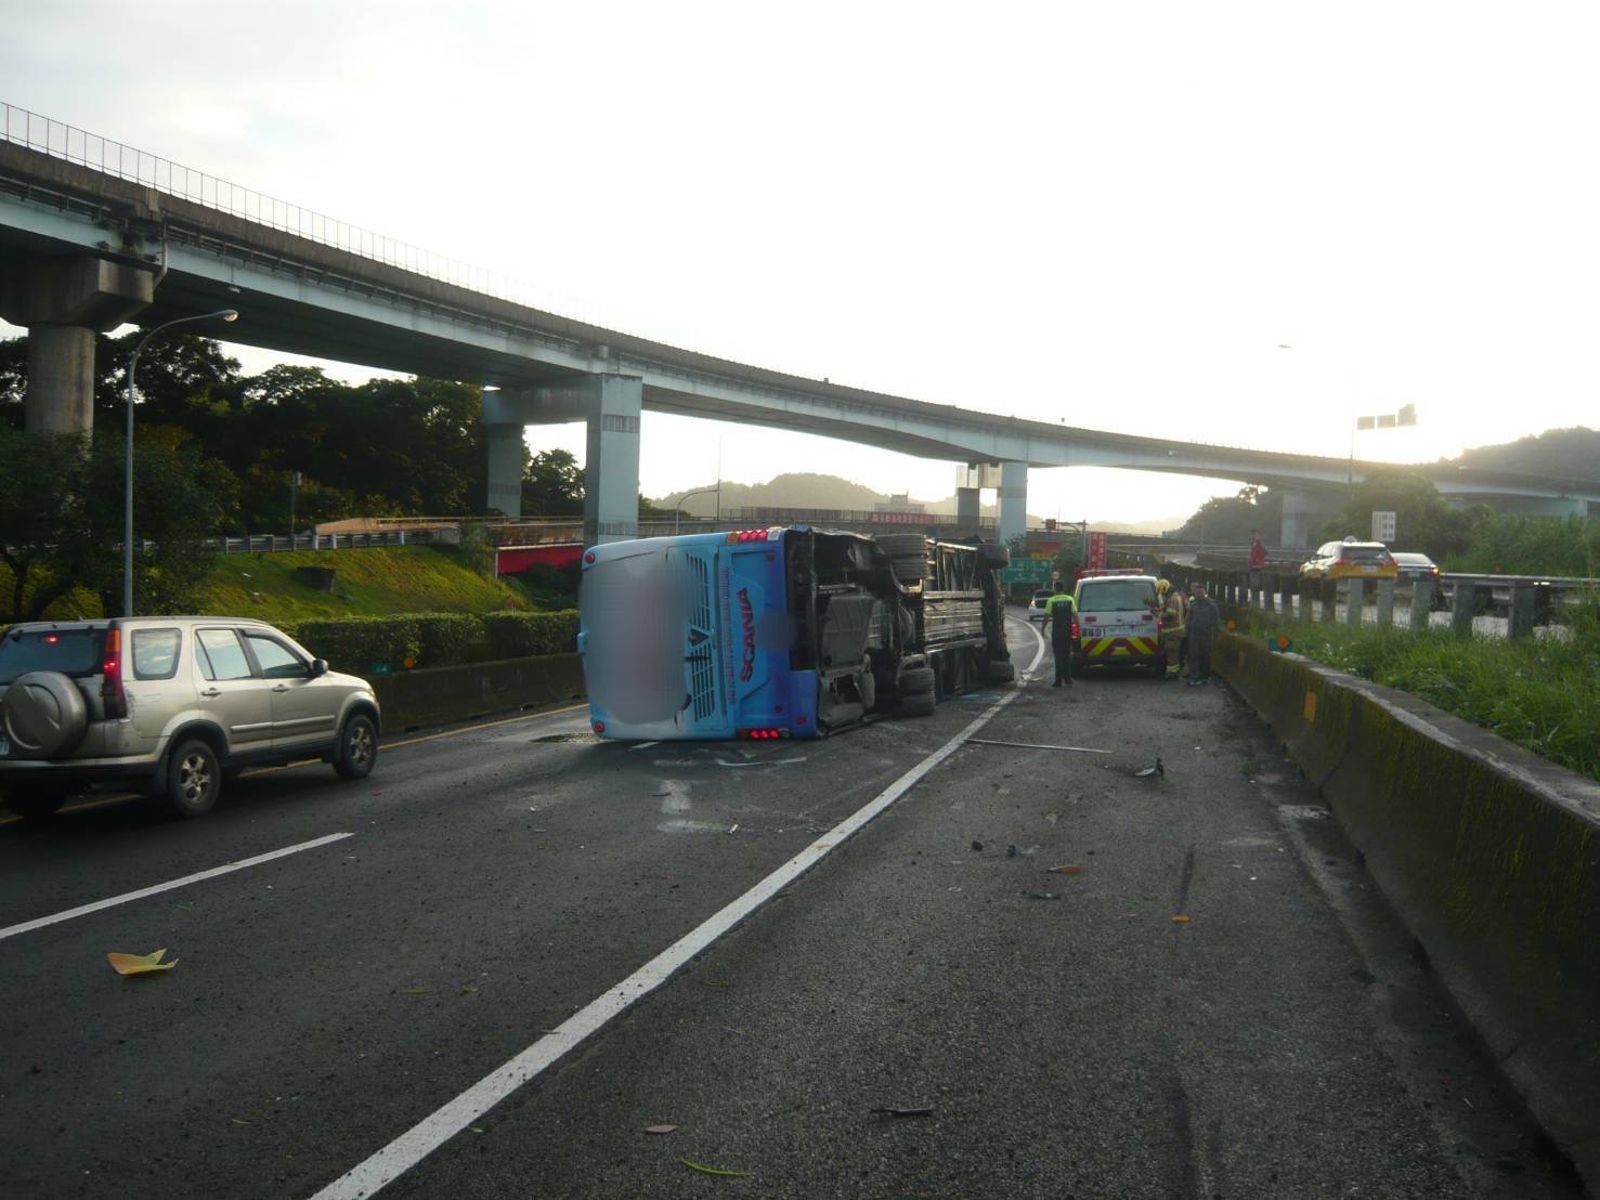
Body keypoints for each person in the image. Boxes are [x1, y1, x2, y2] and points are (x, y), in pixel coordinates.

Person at [1187, 582, 1221, 686]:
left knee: (1205, 656)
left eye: (1201, 592)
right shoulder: (1193, 604)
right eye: (1197, 593)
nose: (1199, 595)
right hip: (1194, 634)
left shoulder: (1212, 605)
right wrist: (1187, 631)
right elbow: (1189, 618)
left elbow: (1216, 621)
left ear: (1205, 592)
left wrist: (1216, 634)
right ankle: (1194, 677)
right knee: (1193, 656)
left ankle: (1204, 677)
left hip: (1206, 634)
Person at [1044, 586, 1076, 687]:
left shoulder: (1051, 600)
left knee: (1058, 656)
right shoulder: (1070, 599)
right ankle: (1068, 680)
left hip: (1057, 632)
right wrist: (1079, 628)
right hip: (1068, 631)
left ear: (1055, 590)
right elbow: (1075, 614)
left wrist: (1042, 628)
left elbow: (1047, 616)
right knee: (1066, 655)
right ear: (1063, 589)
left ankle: (1058, 681)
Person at [1156, 578, 1187, 680]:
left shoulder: (1172, 599)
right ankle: (1173, 671)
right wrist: (1160, 609)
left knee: (1172, 653)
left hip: (1173, 632)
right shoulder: (1174, 597)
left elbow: (1171, 613)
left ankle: (1172, 673)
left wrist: (1159, 615)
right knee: (1173, 653)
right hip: (1174, 631)